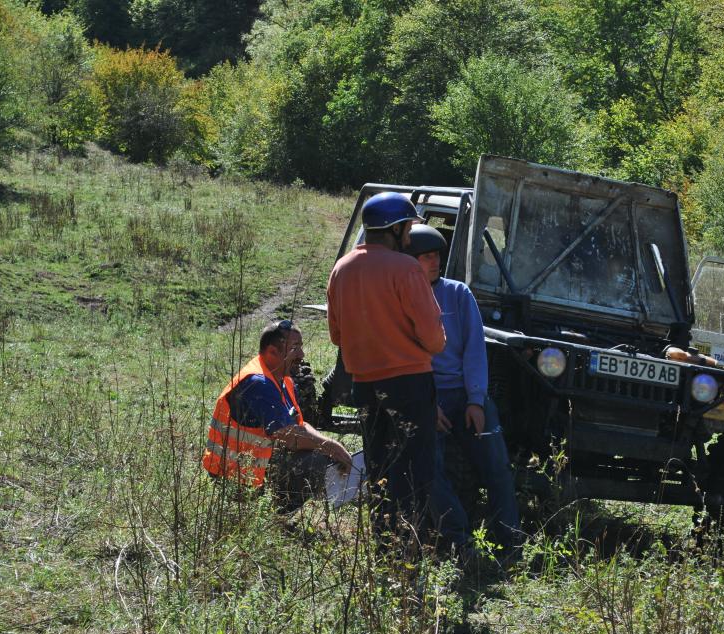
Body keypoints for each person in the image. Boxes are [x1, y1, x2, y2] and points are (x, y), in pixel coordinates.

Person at [326, 192, 446, 543]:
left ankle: (383, 542)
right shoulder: (406, 268)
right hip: (409, 385)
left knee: (378, 465)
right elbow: (435, 340)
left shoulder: (342, 268)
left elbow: (336, 336)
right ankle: (410, 547)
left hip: (365, 386)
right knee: (416, 468)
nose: (410, 233)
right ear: (394, 228)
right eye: (408, 225)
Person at [407, 224, 523, 556]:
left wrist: (476, 400)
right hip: (429, 398)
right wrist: (428, 404)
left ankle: (509, 542)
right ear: (409, 261)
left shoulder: (458, 293)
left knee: (497, 467)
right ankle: (459, 541)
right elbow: (407, 359)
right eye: (426, 257)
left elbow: (475, 349)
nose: (435, 262)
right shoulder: (400, 297)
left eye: (437, 256)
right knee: (431, 471)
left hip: (465, 393)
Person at [204, 320, 353, 511]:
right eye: (294, 348)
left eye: (301, 347)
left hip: (251, 468)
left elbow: (298, 425)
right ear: (272, 352)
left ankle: (273, 511)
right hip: (233, 476)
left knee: (320, 452)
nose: (301, 355)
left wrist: (332, 446)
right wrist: (332, 447)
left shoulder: (282, 380)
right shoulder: (259, 383)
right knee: (316, 462)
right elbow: (290, 436)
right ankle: (273, 515)